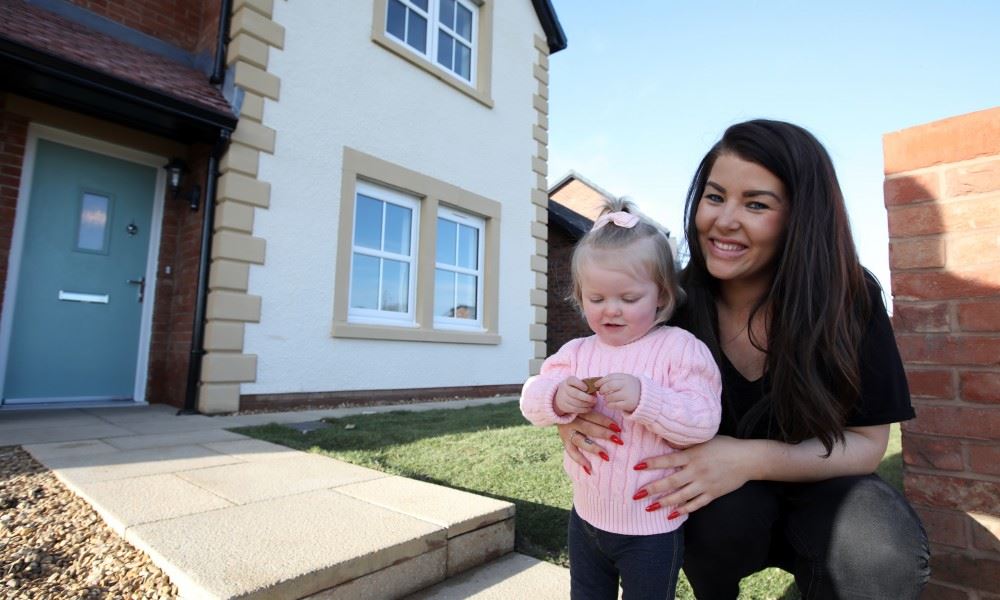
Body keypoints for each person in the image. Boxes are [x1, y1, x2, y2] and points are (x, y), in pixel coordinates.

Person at [557, 119, 930, 599]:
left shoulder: (848, 298)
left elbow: (867, 444)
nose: (723, 220)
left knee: (881, 554)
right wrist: (571, 417)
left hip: (824, 481)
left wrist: (750, 457)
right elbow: (596, 370)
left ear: (800, 215)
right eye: (715, 198)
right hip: (718, 500)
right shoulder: (675, 303)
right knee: (698, 511)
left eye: (756, 204)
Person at [520, 198, 722, 600]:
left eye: (628, 299)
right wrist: (558, 398)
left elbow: (703, 419)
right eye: (596, 299)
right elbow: (531, 397)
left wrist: (646, 397)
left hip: (652, 528)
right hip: (586, 519)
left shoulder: (680, 349)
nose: (611, 310)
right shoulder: (577, 352)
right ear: (581, 295)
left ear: (661, 297)